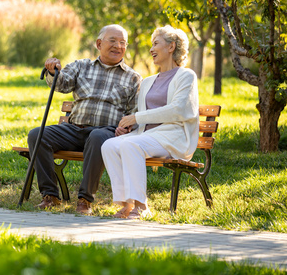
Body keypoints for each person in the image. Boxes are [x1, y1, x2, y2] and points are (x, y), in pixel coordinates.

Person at [27, 24, 142, 214]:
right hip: (74, 129)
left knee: (97, 137)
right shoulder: (81, 66)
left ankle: (85, 200)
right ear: (99, 43)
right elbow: (62, 84)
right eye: (112, 41)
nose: (118, 46)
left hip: (106, 132)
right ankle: (50, 196)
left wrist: (126, 128)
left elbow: (134, 112)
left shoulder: (133, 78)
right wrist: (54, 71)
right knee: (37, 135)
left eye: (123, 43)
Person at [101, 25, 199, 219]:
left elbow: (178, 110)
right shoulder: (148, 81)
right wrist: (131, 126)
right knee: (109, 145)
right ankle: (126, 204)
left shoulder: (186, 76)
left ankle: (141, 206)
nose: (151, 49)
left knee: (131, 145)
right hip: (147, 135)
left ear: (171, 47)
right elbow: (146, 116)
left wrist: (136, 118)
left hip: (173, 137)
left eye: (156, 44)